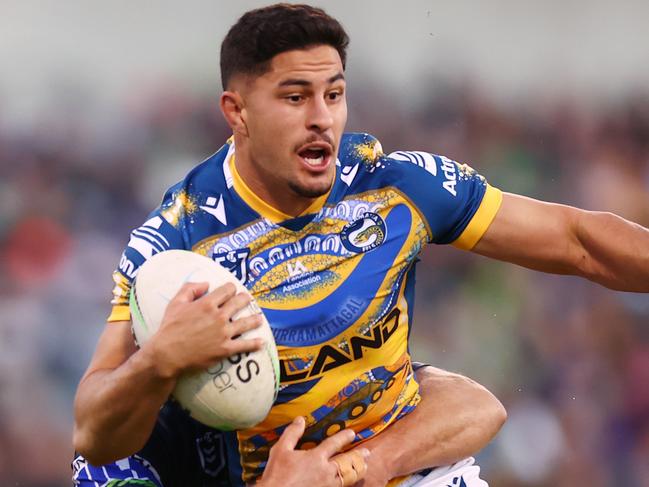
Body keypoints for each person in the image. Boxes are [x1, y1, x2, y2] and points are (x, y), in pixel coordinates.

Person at [72, 3, 649, 486]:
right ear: (237, 112)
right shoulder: (174, 244)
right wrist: (159, 360)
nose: (322, 119)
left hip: (396, 463)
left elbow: (578, 242)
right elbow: (93, 435)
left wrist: (360, 467)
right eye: (295, 98)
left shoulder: (394, 186)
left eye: (334, 93)